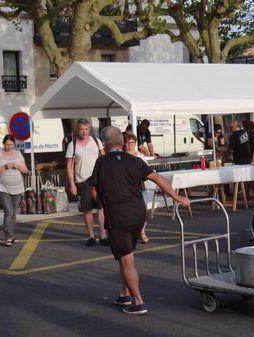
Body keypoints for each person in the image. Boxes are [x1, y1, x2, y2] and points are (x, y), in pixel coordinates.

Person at [90, 126, 190, 315]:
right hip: (138, 214)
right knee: (127, 254)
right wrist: (177, 198)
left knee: (126, 259)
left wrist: (100, 202)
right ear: (121, 142)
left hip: (118, 215)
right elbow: (157, 178)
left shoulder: (101, 162)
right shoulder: (135, 160)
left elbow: (95, 190)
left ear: (104, 144)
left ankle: (138, 301)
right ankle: (125, 293)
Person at [66, 118, 107, 247]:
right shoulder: (72, 145)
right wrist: (72, 184)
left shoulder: (97, 141)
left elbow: (104, 158)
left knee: (101, 208)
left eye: (86, 129)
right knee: (87, 210)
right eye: (81, 129)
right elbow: (69, 166)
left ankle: (104, 236)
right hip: (82, 181)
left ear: (90, 129)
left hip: (97, 180)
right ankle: (91, 236)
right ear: (77, 130)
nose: (84, 132)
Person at [0, 135, 28, 247]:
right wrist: (5, 167)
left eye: (11, 144)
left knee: (14, 213)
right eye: (7, 144)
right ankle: (8, 236)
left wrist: (18, 167)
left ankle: (12, 235)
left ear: (14, 145)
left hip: (17, 187)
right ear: (3, 144)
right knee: (9, 212)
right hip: (2, 187)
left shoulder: (18, 154)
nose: (9, 146)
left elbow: (25, 170)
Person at [124, 132, 150, 244]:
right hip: (127, 189)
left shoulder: (140, 157)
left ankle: (142, 231)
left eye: (132, 142)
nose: (130, 144)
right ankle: (132, 233)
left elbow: (147, 173)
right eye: (127, 142)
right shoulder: (121, 156)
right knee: (129, 213)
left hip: (140, 188)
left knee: (143, 212)